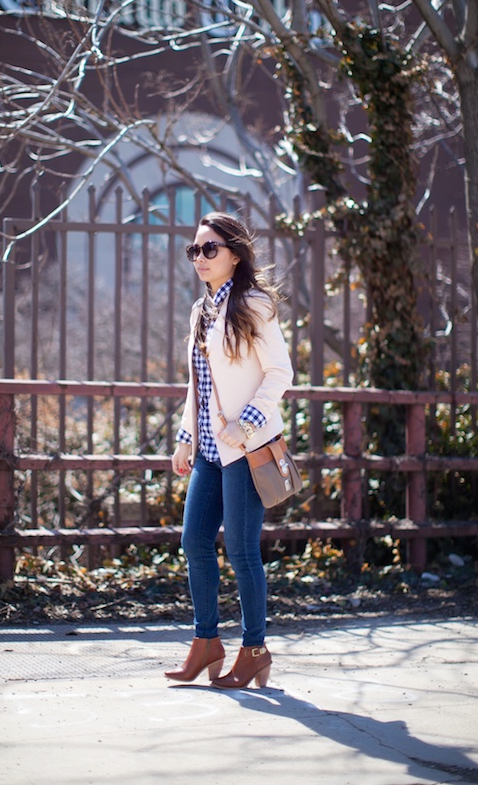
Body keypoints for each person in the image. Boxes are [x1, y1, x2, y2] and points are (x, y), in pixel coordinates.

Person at [165, 212, 294, 689]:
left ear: (235, 254)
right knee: (194, 542)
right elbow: (199, 386)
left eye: (209, 249)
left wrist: (247, 424)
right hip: (208, 452)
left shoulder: (254, 305)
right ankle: (206, 644)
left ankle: (255, 649)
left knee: (242, 551)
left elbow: (280, 373)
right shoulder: (201, 310)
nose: (199, 257)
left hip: (247, 448)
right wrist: (185, 437)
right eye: (193, 250)